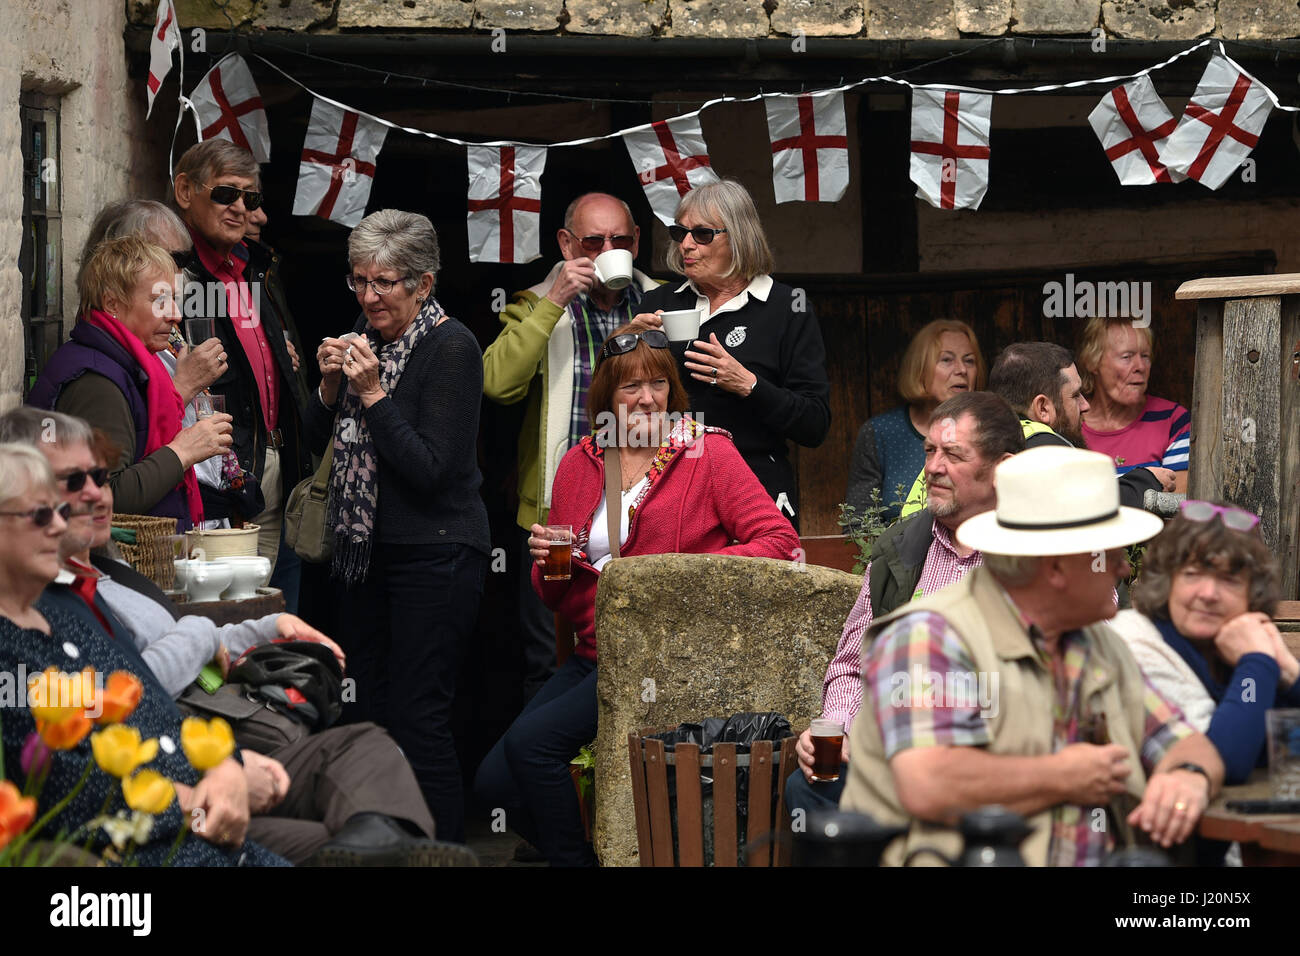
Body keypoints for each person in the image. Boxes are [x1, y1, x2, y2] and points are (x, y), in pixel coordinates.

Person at [4, 408, 452, 866]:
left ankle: (387, 848)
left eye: (100, 476)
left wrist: (263, 629)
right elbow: (124, 707)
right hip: (184, 773)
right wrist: (217, 775)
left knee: (364, 752)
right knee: (330, 835)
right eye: (65, 489)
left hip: (200, 755)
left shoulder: (95, 575)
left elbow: (138, 690)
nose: (97, 496)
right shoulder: (42, 611)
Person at [474, 324, 800, 865]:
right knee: (491, 784)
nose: (647, 398)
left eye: (658, 384)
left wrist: (676, 573)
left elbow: (780, 542)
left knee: (535, 747)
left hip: (665, 656)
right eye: (630, 387)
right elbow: (554, 597)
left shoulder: (706, 453)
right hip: (595, 654)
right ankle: (582, 847)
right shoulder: (579, 463)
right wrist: (548, 566)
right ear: (606, 395)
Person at [840, 446, 1226, 866]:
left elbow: (1187, 744)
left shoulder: (1097, 644)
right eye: (1109, 553)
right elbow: (929, 784)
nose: (1123, 569)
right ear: (1057, 568)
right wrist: (1065, 775)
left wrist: (1189, 777)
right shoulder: (932, 637)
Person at [0, 442, 285, 866]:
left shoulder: (65, 617)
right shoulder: (12, 647)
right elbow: (67, 786)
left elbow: (148, 708)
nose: (60, 528)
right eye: (41, 514)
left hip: (200, 824)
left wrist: (226, 766)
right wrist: (196, 799)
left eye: (60, 512)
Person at [305, 209, 490, 844]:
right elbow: (313, 443)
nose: (367, 296)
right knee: (366, 713)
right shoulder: (365, 334)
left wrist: (377, 395)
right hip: (365, 555)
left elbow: (432, 471)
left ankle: (442, 856)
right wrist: (330, 388)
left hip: (436, 557)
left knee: (420, 721)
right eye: (358, 281)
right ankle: (381, 850)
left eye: (384, 283)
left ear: (424, 283)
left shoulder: (454, 348)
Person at [786, 392, 1023, 814]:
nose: (933, 466)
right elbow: (852, 666)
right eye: (930, 450)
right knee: (810, 789)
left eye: (953, 454)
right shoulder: (901, 545)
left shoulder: (1045, 552)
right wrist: (839, 728)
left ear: (1002, 469)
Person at [483, 192, 658, 701]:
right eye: (593, 241)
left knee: (641, 654)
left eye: (620, 240)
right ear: (566, 244)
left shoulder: (664, 301)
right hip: (557, 514)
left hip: (646, 502)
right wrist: (554, 300)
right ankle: (553, 774)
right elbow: (497, 384)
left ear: (636, 243)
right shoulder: (535, 303)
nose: (608, 249)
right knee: (548, 660)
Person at [634, 179, 831, 531]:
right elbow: (620, 406)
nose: (687, 245)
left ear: (739, 236)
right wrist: (628, 347)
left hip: (755, 490)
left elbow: (814, 424)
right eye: (681, 232)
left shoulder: (786, 308)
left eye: (703, 234)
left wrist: (748, 384)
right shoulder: (658, 304)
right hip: (669, 490)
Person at [77, 198, 265, 530]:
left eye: (182, 258)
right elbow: (115, 488)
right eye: (170, 258)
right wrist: (184, 387)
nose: (181, 271)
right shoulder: (96, 371)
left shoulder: (155, 336)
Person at [27, 235, 232, 531]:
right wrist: (183, 451)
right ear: (113, 302)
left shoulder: (120, 362)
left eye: (173, 300)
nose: (175, 315)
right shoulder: (96, 381)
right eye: (159, 300)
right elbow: (106, 495)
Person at [172, 139, 311, 574]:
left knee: (279, 624)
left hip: (279, 469)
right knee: (232, 619)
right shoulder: (175, 275)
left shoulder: (256, 267)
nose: (240, 208)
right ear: (184, 191)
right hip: (223, 479)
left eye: (249, 197)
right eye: (225, 193)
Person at [1112, 501, 1300, 784]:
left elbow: (1291, 743)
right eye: (1192, 574)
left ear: (1253, 592)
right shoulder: (1136, 642)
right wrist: (1258, 662)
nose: (1209, 593)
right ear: (1167, 580)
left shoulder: (1238, 642)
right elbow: (1222, 761)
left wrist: (1289, 671)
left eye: (1229, 580)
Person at [987, 341, 1177, 509]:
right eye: (1075, 395)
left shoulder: (985, 437)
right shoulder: (1044, 448)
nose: (1085, 405)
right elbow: (1097, 505)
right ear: (1043, 408)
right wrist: (1146, 480)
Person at [847, 319, 985, 522]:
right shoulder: (881, 432)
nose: (961, 370)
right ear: (920, 368)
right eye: (947, 360)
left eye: (969, 361)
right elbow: (858, 523)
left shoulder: (988, 429)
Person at [1077, 317, 1190, 494]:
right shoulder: (1070, 423)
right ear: (1093, 362)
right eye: (1126, 357)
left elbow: (1175, 509)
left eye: (1145, 356)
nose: (1140, 366)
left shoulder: (1172, 421)